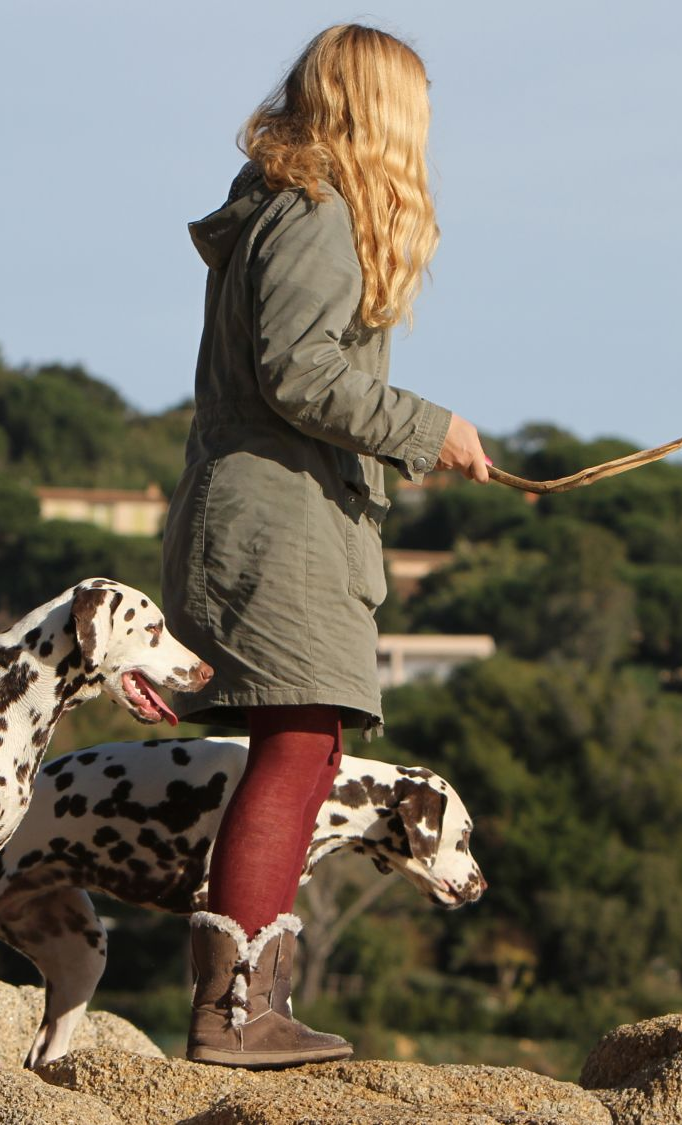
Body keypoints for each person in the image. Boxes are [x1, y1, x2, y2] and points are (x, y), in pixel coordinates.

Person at [160, 23, 490, 1068]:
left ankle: (249, 1003)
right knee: (297, 748)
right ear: (379, 109)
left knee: (305, 751)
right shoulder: (314, 213)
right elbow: (297, 374)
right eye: (418, 108)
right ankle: (233, 1014)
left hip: (281, 521)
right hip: (276, 526)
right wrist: (422, 427)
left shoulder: (286, 208)